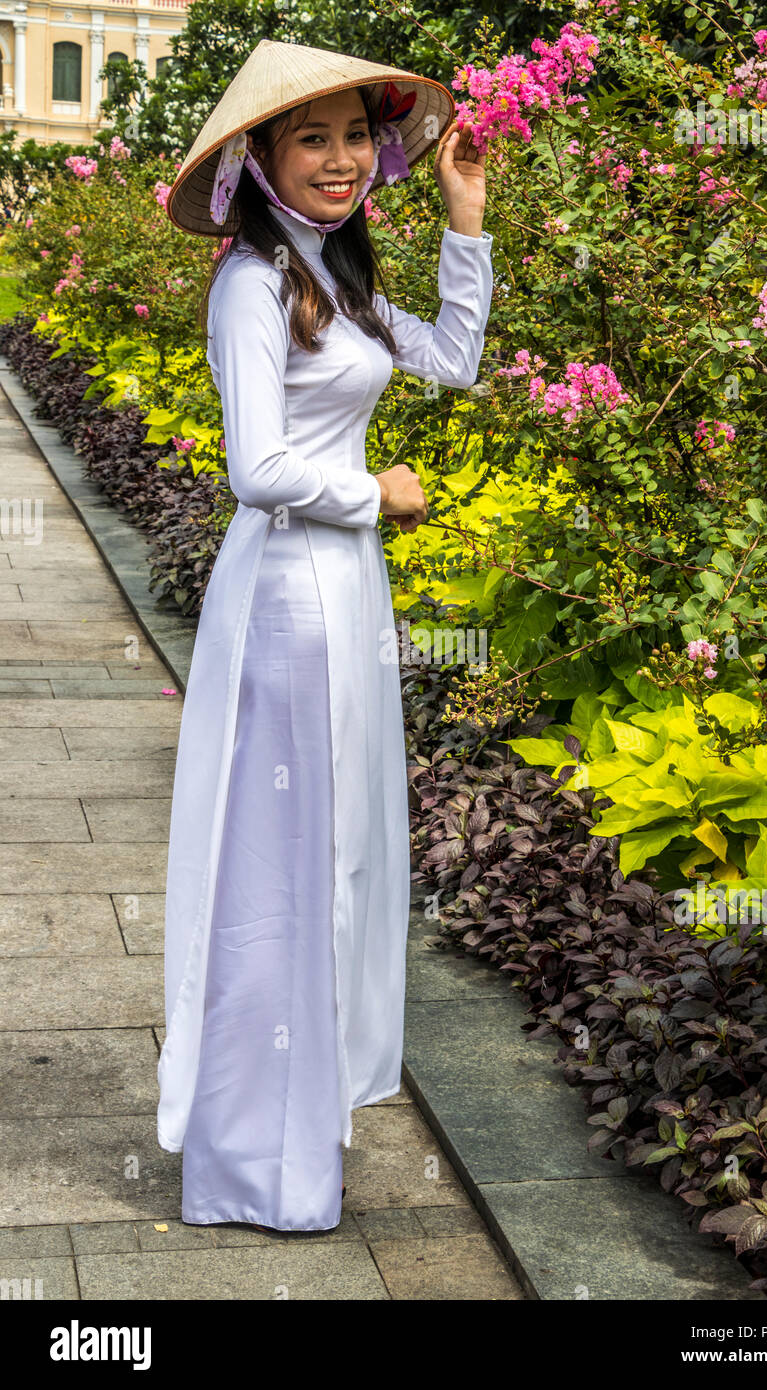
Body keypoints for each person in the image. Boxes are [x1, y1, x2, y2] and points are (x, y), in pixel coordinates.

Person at [158, 40, 493, 1233]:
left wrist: (464, 217)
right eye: (314, 137)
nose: (344, 157)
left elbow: (453, 361)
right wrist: (375, 493)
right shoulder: (252, 281)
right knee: (283, 865)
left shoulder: (332, 275)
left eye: (357, 133)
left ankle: (291, 1142)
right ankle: (257, 1164)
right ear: (259, 156)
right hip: (292, 595)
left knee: (333, 853)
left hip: (341, 593)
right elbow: (256, 468)